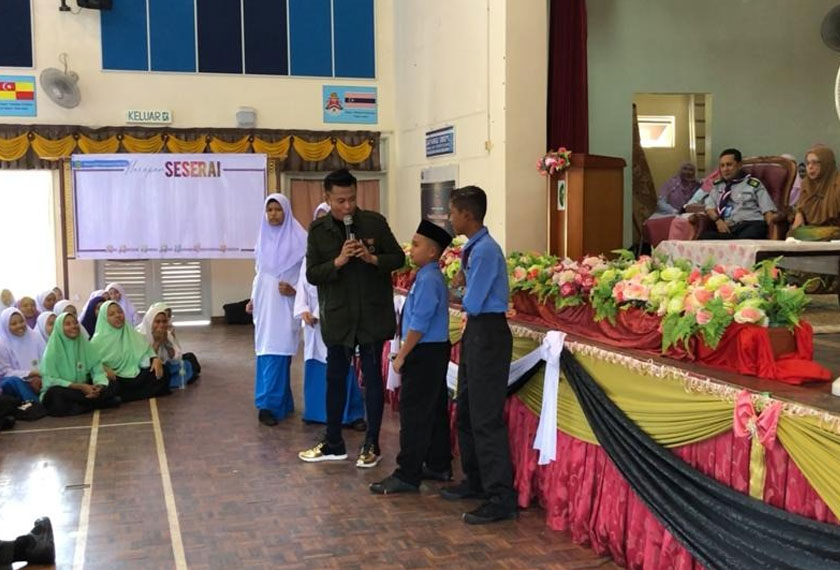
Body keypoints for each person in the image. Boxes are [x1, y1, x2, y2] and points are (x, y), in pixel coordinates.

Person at [298, 168, 405, 467]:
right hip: (339, 317)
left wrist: (372, 259)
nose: (347, 207)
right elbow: (312, 274)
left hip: (371, 315)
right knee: (335, 379)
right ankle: (333, 442)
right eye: (341, 201)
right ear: (327, 198)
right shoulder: (318, 231)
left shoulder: (374, 222)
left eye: (352, 200)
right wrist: (339, 261)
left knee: (372, 379)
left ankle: (371, 444)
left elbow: (398, 258)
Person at [440, 186, 517, 524]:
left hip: (489, 332)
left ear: (467, 215)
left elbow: (472, 300)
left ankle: (500, 496)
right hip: (476, 331)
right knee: (467, 410)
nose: (449, 218)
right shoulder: (472, 250)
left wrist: (456, 289)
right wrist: (460, 287)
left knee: (485, 418)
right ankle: (476, 480)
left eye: (452, 212)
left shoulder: (485, 252)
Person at [370, 220, 453, 495]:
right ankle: (439, 462)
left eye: (416, 245)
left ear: (432, 252)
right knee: (434, 408)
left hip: (425, 352)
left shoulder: (429, 278)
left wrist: (401, 356)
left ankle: (408, 473)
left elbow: (420, 323)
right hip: (433, 350)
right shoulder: (427, 274)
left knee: (414, 412)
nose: (411, 250)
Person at [294, 202, 365, 427]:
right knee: (317, 365)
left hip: (336, 319)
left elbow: (344, 290)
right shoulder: (309, 258)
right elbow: (303, 287)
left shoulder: (348, 257)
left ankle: (349, 415)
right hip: (314, 326)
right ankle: (317, 413)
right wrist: (304, 310)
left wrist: (318, 312)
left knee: (342, 366)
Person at [248, 193, 306, 426]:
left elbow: (308, 277)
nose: (273, 214)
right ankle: (282, 402)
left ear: (286, 211)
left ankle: (269, 406)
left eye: (278, 209)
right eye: (269, 210)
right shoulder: (262, 239)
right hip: (264, 304)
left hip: (284, 305)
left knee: (278, 352)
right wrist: (253, 298)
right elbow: (259, 273)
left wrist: (295, 291)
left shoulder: (300, 240)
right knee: (265, 351)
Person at [40, 313, 120, 416]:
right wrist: (79, 387)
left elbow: (97, 369)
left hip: (84, 389)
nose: (73, 326)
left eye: (75, 323)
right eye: (68, 324)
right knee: (55, 395)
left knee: (113, 383)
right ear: (59, 328)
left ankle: (87, 404)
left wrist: (99, 385)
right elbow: (49, 381)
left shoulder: (85, 345)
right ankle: (98, 403)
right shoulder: (52, 351)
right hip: (66, 390)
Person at [90, 300, 169, 402]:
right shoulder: (96, 341)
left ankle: (124, 397)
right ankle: (129, 395)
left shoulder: (131, 333)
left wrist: (155, 359)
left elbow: (147, 351)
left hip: (135, 374)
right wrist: (103, 368)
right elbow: (91, 363)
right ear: (104, 318)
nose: (118, 316)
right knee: (109, 385)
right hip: (116, 377)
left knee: (164, 371)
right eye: (112, 314)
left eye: (120, 312)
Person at [700, 148, 777, 240]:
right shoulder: (717, 186)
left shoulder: (753, 184)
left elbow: (768, 211)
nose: (725, 169)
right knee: (705, 238)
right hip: (730, 228)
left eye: (729, 165)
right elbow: (709, 208)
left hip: (751, 224)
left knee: (748, 237)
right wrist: (718, 221)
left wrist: (773, 233)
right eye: (722, 166)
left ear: (739, 165)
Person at [789, 145, 840, 241]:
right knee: (792, 234)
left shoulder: (837, 183)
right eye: (807, 163)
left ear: (826, 164)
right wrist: (799, 213)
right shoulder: (806, 183)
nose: (810, 167)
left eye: (815, 163)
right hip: (811, 230)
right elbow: (801, 206)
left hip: (835, 231)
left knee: (832, 234)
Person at [137, 303, 194, 389]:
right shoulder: (140, 336)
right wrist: (156, 343)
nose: (161, 325)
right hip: (148, 370)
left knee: (186, 364)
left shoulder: (167, 334)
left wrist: (166, 342)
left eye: (164, 321)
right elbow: (143, 363)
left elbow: (176, 358)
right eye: (157, 322)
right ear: (150, 321)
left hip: (165, 365)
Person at [0, 307, 44, 403]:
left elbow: (46, 360)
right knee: (14, 382)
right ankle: (35, 403)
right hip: (18, 382)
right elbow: (5, 372)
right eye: (13, 324)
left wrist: (40, 376)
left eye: (21, 321)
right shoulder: (2, 344)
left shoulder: (35, 337)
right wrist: (30, 374)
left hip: (40, 377)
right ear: (5, 326)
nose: (19, 326)